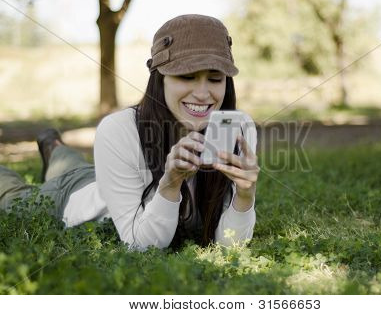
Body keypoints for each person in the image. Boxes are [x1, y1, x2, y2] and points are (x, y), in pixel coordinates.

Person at [0, 14, 259, 251]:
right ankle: (55, 152)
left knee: (75, 168)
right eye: (187, 77)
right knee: (13, 198)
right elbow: (143, 245)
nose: (203, 94)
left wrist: (245, 196)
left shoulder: (239, 128)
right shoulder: (118, 129)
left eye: (215, 79)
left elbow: (230, 245)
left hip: (107, 180)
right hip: (71, 199)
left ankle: (54, 148)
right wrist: (170, 183)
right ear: (160, 78)